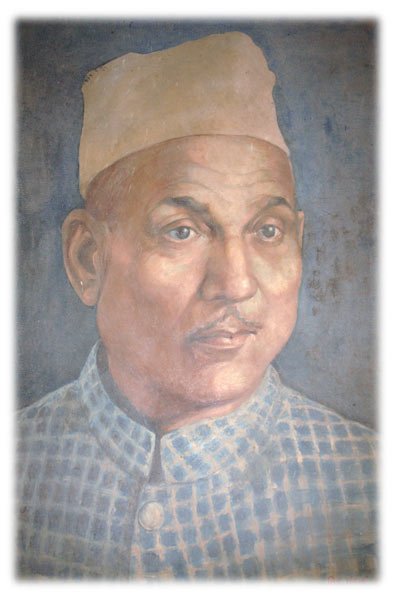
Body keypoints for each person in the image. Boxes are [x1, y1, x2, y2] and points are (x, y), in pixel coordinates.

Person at [17, 32, 376, 580]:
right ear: (87, 258)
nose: (236, 283)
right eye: (182, 231)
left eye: (268, 230)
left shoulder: (370, 482)